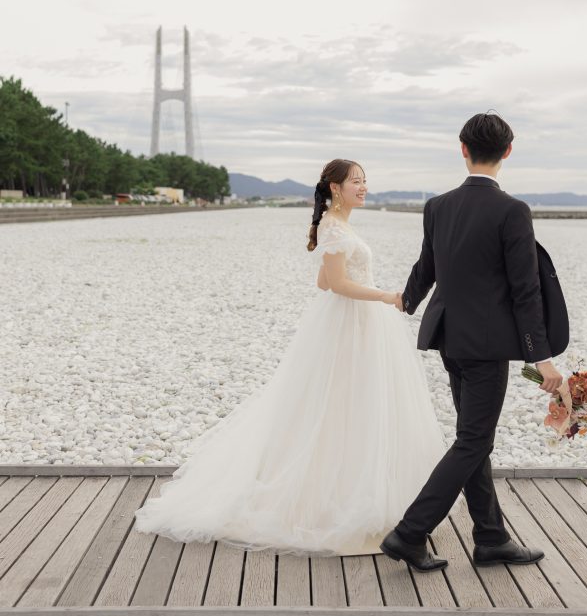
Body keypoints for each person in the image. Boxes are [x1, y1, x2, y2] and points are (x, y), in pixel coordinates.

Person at [134, 158, 448, 556]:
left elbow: (323, 281)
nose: (364, 187)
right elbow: (335, 284)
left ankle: (347, 491)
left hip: (355, 323)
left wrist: (368, 293)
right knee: (340, 408)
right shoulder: (334, 227)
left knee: (348, 407)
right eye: (356, 181)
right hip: (352, 323)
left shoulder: (339, 226)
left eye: (365, 181)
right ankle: (332, 501)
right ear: (335, 188)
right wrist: (385, 296)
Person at [380, 111, 567, 572]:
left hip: (450, 340)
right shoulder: (512, 211)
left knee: (473, 438)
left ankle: (490, 537)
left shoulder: (437, 206)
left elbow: (427, 267)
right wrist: (543, 361)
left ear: (462, 149)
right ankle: (410, 532)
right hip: (486, 349)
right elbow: (526, 292)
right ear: (507, 151)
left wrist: (406, 299)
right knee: (473, 441)